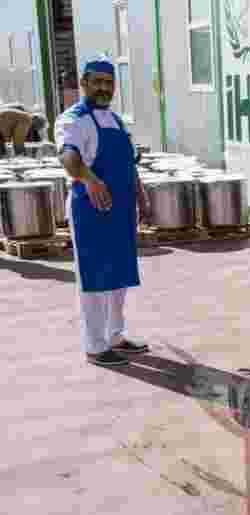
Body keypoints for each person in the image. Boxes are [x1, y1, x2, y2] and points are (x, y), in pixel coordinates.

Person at [56, 54, 150, 367]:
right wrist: (89, 179)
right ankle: (95, 346)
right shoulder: (74, 119)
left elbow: (128, 162)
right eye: (96, 81)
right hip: (91, 210)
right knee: (94, 279)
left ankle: (115, 335)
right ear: (83, 83)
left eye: (109, 82)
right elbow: (69, 157)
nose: (103, 88)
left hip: (121, 210)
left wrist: (141, 195)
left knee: (118, 276)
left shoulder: (116, 119)